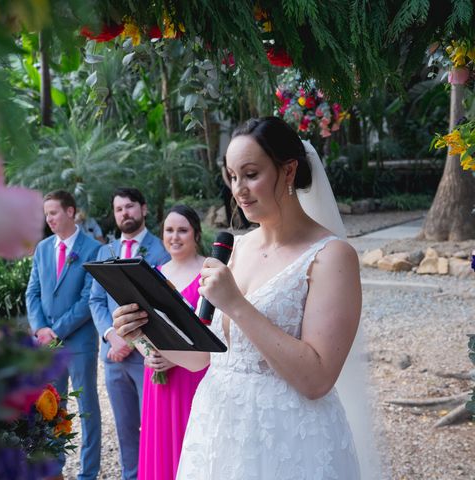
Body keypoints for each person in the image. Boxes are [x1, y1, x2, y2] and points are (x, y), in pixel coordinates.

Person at [112, 117, 371, 479]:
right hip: (218, 431)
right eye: (232, 177)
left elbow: (318, 379)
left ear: (289, 170)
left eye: (251, 174)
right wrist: (142, 332)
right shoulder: (234, 248)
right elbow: (203, 357)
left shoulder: (331, 256)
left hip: (290, 440)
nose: (239, 189)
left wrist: (235, 303)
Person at [89, 187, 170, 480]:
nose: (125, 213)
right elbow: (95, 300)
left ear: (144, 209)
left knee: (153, 427)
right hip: (113, 355)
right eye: (119, 209)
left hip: (147, 357)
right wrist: (112, 335)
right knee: (123, 428)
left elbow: (163, 304)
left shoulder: (161, 250)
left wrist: (135, 341)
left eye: (130, 207)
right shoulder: (103, 251)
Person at [26, 190, 102, 480]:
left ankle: (89, 472)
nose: (49, 219)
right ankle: (54, 469)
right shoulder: (43, 248)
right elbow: (32, 292)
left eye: (54, 213)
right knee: (52, 407)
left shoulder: (93, 249)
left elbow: (87, 299)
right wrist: (40, 329)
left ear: (71, 212)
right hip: (48, 345)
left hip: (80, 343)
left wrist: (56, 330)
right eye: (46, 215)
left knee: (87, 409)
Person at [136, 205, 208, 480]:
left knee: (191, 447)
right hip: (157, 379)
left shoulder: (209, 272)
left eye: (182, 230)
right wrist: (146, 353)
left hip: (194, 377)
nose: (175, 237)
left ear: (196, 234)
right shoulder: (152, 274)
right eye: (169, 230)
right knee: (160, 448)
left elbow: (218, 332)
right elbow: (140, 326)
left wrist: (176, 356)